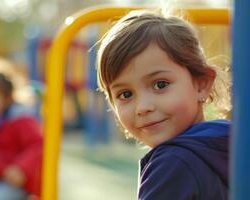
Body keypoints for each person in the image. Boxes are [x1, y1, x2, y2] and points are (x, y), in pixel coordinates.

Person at [96, 10, 230, 200]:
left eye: (160, 85)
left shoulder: (172, 163)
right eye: (125, 94)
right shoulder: (228, 143)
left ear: (201, 84)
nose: (142, 107)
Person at [0, 73, 42, 200]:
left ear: (6, 99)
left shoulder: (20, 119)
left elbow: (37, 144)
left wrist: (21, 168)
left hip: (13, 181)